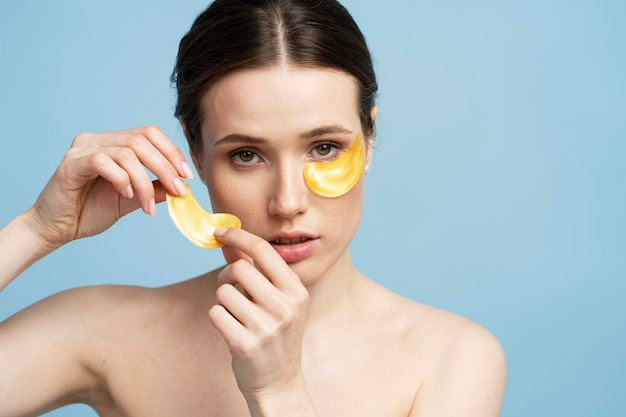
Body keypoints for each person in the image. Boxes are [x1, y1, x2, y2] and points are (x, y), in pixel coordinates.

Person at [0, 0, 507, 416]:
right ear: (195, 154)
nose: (288, 203)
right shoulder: (105, 329)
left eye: (325, 147)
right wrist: (38, 229)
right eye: (246, 155)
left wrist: (279, 392)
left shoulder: (453, 358)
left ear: (369, 139)